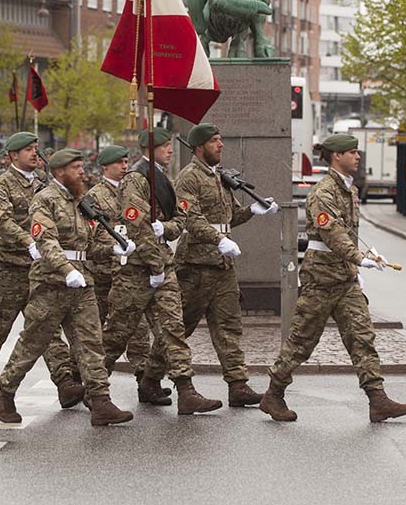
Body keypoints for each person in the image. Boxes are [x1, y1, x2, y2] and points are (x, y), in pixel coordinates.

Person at [260, 134, 406, 423]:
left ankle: (377, 400)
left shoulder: (348, 189)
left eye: (357, 152)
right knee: (302, 342)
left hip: (344, 279)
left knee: (362, 336)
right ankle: (273, 394)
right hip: (321, 279)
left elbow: (350, 232)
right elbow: (332, 233)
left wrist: (362, 262)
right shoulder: (323, 192)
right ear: (336, 156)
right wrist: (358, 258)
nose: (357, 157)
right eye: (352, 152)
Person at [0, 149, 135, 426]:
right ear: (59, 172)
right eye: (76, 168)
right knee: (34, 342)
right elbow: (46, 242)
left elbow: (92, 242)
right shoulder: (44, 201)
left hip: (82, 282)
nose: (82, 172)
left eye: (82, 166)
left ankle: (101, 401)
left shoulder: (83, 200)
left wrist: (115, 247)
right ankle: (5, 393)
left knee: (91, 342)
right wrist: (67, 270)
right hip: (52, 283)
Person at [103, 128, 222, 414]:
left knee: (173, 328)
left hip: (162, 263)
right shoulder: (136, 178)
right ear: (150, 148)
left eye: (171, 145)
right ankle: (92, 387)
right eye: (165, 146)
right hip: (137, 269)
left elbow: (178, 221)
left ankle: (186, 390)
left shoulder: (162, 178)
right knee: (117, 334)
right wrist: (155, 264)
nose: (170, 150)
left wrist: (165, 229)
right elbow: (136, 226)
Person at [0, 132, 83, 410]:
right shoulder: (2, 185)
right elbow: (1, 221)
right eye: (27, 150)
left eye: (36, 148)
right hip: (8, 268)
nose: (34, 153)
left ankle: (64, 381)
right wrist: (27, 241)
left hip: (39, 268)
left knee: (46, 325)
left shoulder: (45, 185)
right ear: (12, 156)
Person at [174, 123, 279, 407]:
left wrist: (253, 211)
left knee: (229, 326)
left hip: (222, 266)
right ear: (199, 148)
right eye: (214, 141)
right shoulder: (188, 178)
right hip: (195, 266)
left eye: (221, 140)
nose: (220, 145)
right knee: (179, 327)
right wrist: (219, 239)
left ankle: (237, 385)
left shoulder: (219, 177)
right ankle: (149, 378)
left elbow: (230, 216)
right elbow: (190, 219)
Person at [85, 145, 154, 387]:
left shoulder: (133, 191)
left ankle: (144, 378)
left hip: (131, 270)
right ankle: (90, 379)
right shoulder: (94, 196)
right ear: (105, 167)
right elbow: (92, 235)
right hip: (104, 273)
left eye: (126, 162)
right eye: (119, 163)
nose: (125, 167)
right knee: (102, 332)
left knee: (137, 326)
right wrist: (115, 246)